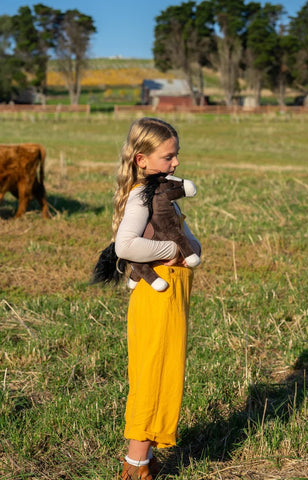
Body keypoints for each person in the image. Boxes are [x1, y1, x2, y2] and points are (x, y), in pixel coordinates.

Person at [112, 117, 201, 480]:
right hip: (156, 295)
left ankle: (143, 459)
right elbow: (125, 244)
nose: (176, 163)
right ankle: (135, 467)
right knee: (153, 375)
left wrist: (190, 247)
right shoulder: (141, 195)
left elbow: (188, 238)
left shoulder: (163, 193)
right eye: (169, 156)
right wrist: (169, 249)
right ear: (141, 160)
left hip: (172, 293)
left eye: (176, 155)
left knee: (166, 374)